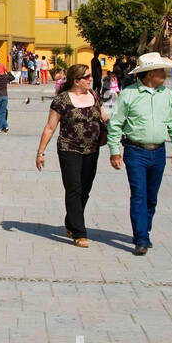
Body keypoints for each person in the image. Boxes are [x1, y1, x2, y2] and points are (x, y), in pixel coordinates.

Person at [106, 52, 172, 256]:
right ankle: (141, 238)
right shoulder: (128, 94)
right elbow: (115, 124)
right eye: (161, 71)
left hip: (159, 152)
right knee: (139, 195)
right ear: (149, 74)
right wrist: (115, 151)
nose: (165, 75)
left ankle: (144, 229)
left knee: (152, 198)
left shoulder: (167, 96)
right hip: (135, 151)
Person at [36, 64, 109, 247]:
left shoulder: (93, 95)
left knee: (85, 189)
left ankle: (71, 222)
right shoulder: (62, 100)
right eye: (87, 76)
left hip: (92, 150)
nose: (90, 79)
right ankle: (79, 232)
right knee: (74, 188)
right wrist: (40, 152)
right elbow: (50, 127)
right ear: (77, 81)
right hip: (69, 149)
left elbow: (104, 117)